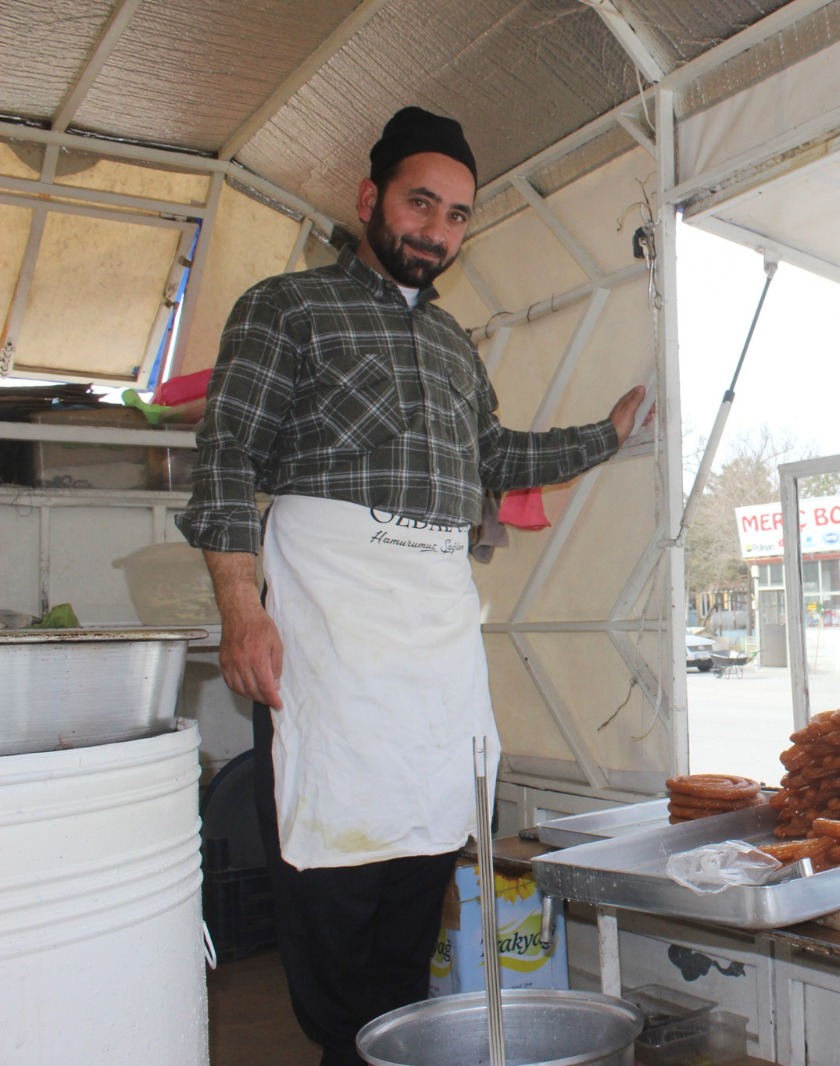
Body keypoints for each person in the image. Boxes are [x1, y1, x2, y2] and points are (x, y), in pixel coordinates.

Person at [178, 106, 651, 1065]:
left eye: (457, 215)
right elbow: (226, 459)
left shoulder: (452, 349)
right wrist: (240, 610)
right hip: (328, 636)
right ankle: (345, 1047)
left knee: (430, 849)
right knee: (333, 873)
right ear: (371, 199)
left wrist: (605, 436)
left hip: (434, 638)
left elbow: (495, 456)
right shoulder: (286, 307)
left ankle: (394, 1040)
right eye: (420, 203)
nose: (436, 230)